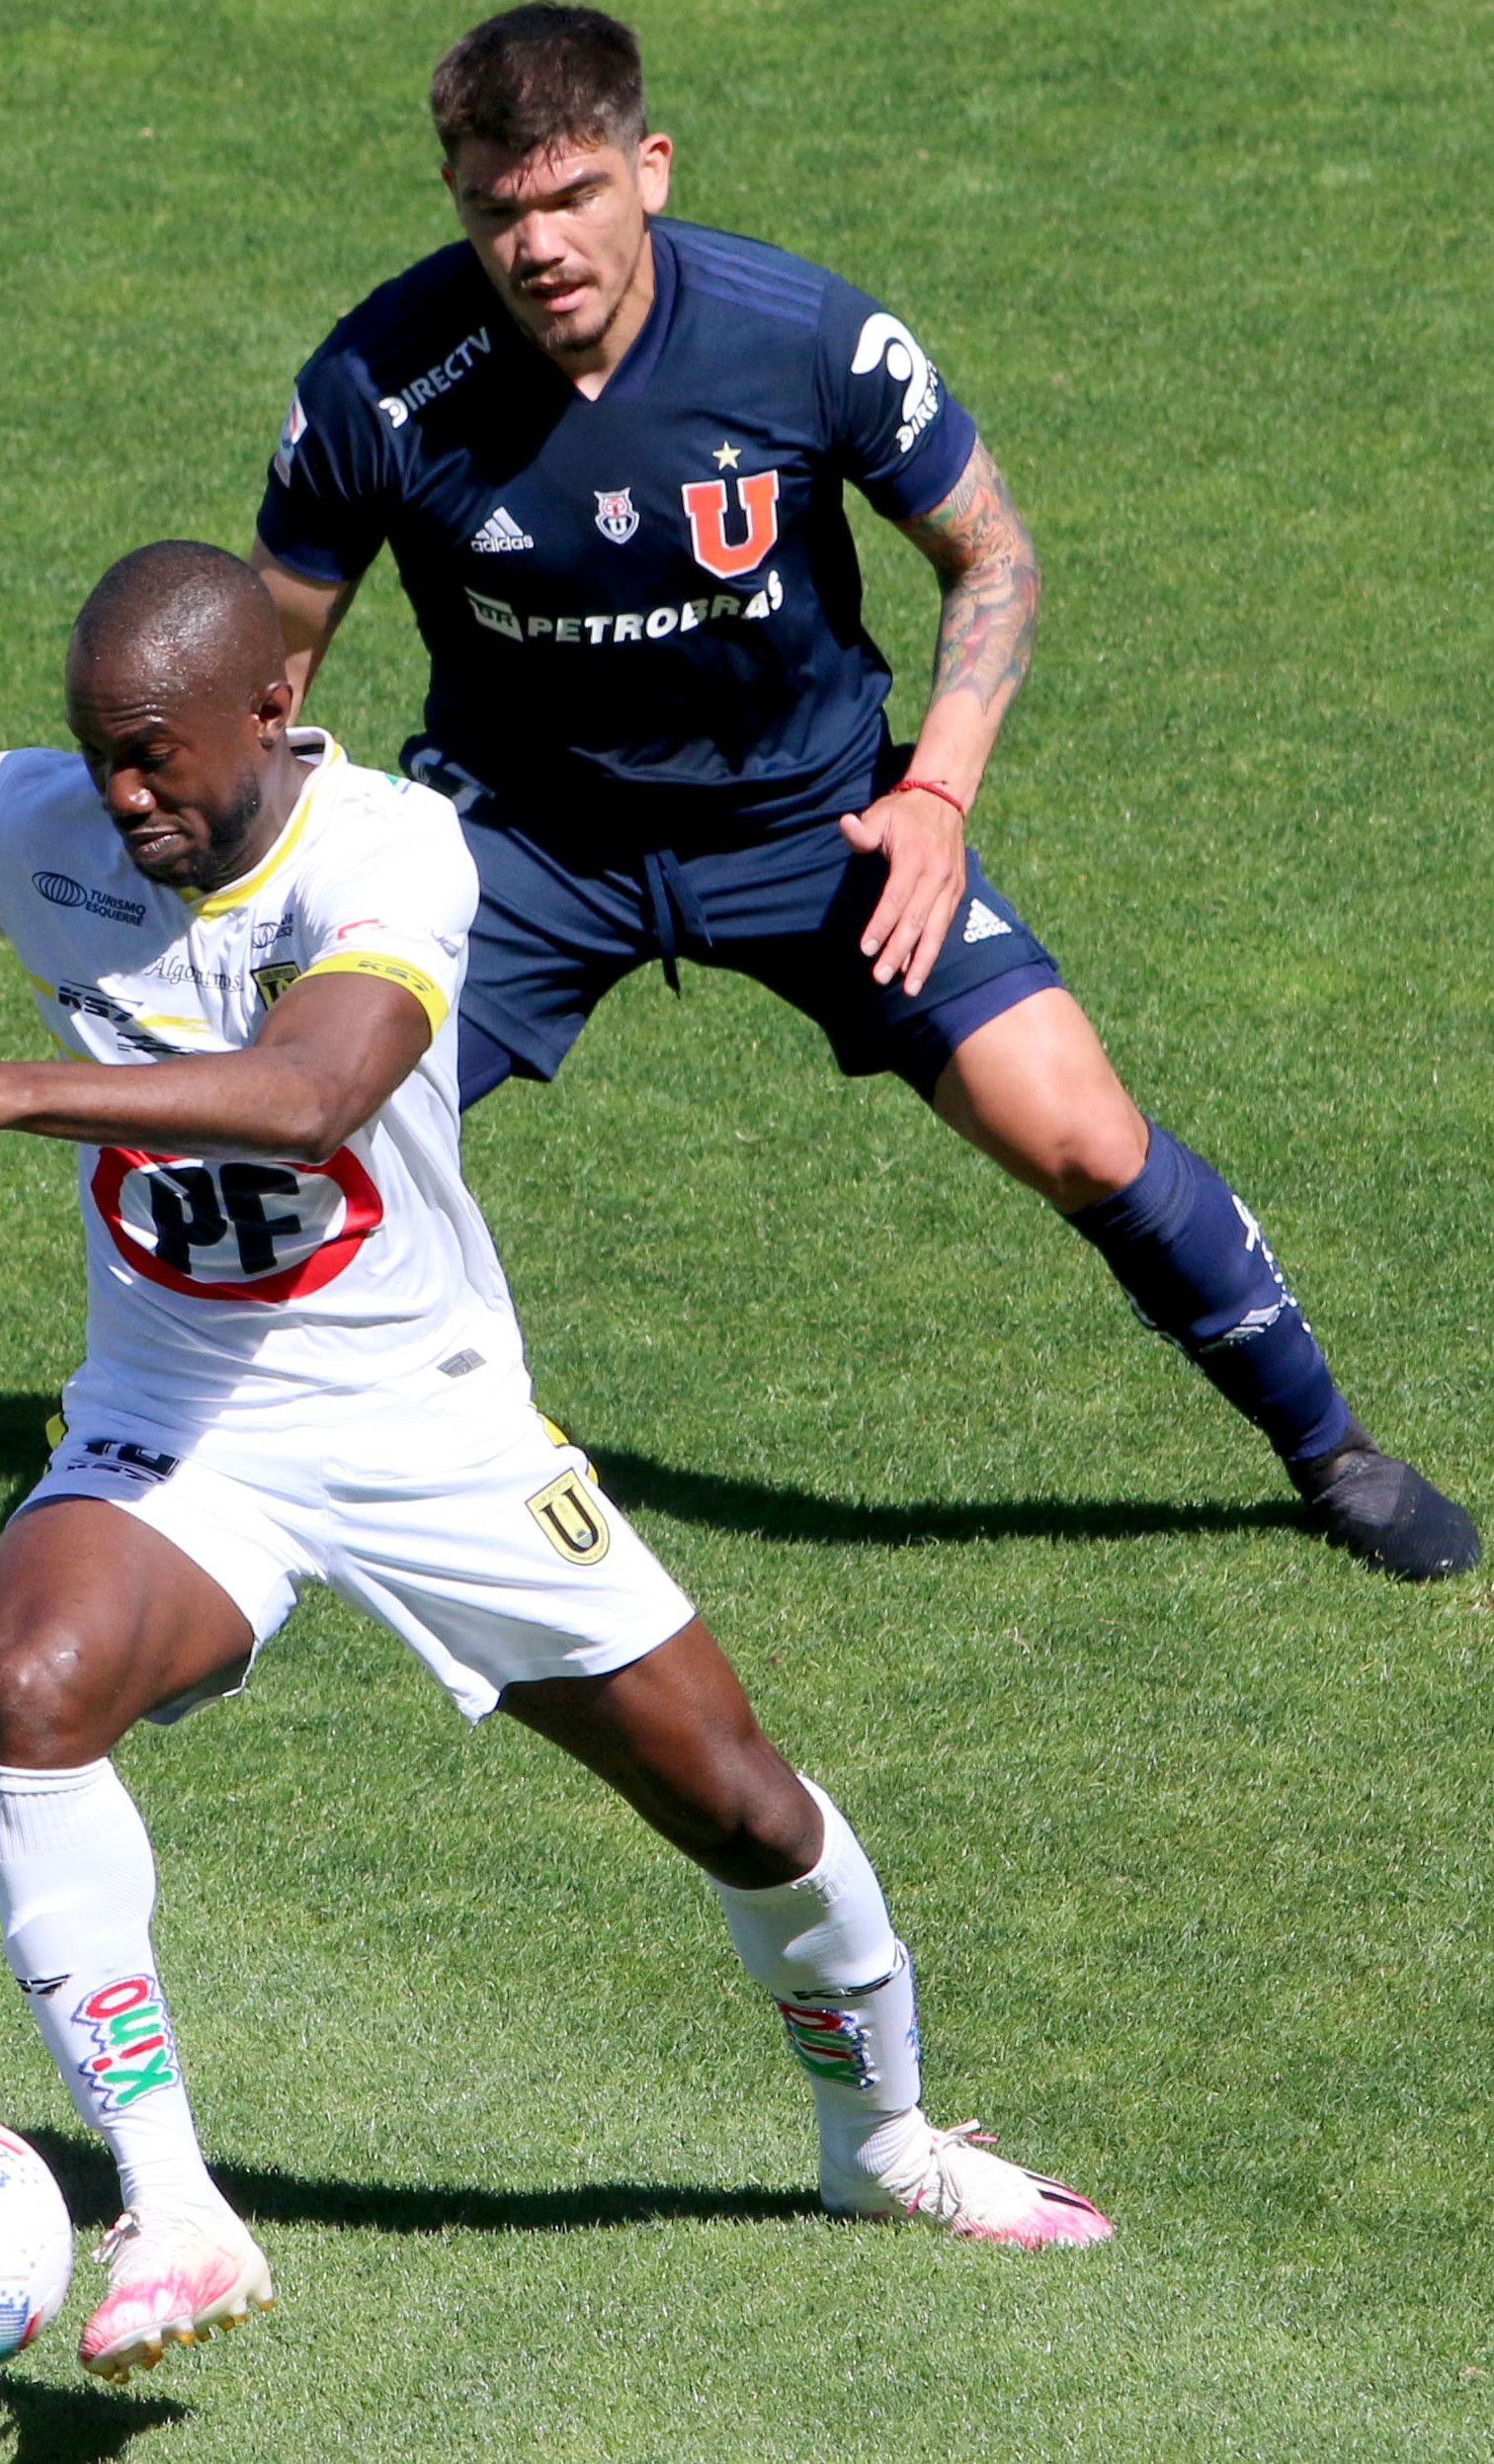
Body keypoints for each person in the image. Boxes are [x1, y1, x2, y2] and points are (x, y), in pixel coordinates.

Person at [0, 545, 1111, 2386]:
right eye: (98, 754)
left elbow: (314, 1087)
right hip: (180, 1420)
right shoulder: (39, 822)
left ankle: (882, 2147)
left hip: (428, 1417)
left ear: (269, 710)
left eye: (155, 755)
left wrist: (11, 1086)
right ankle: (172, 2205)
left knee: (737, 1801)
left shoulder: (393, 849)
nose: (121, 794)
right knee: (30, 1672)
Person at [248, 5, 1471, 1579]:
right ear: (457, 201)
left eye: (575, 198)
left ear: (652, 170)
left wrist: (938, 798)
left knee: (1083, 1134)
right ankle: (137, 1467)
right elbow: (263, 680)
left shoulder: (803, 335)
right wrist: (281, 881)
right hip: (522, 849)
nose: (539, 244)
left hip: (815, 829)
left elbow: (994, 555)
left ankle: (1333, 1452)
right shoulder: (378, 382)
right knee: (278, 1147)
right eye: (498, 210)